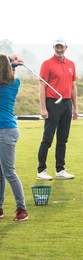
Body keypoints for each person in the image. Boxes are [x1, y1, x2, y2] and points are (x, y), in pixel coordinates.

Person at [37, 39, 78, 180]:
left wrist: (75, 108)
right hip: (52, 103)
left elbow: (73, 87)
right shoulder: (47, 64)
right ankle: (41, 170)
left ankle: (60, 170)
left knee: (63, 139)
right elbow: (42, 86)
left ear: (66, 47)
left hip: (66, 104)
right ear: (54, 47)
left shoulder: (71, 64)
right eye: (57, 46)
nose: (59, 48)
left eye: (61, 46)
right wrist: (43, 108)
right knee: (47, 138)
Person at [0, 54, 28, 221]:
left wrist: (12, 63)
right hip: (9, 130)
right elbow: (8, 73)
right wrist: (14, 65)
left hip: (5, 132)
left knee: (9, 172)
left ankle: (22, 209)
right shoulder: (15, 83)